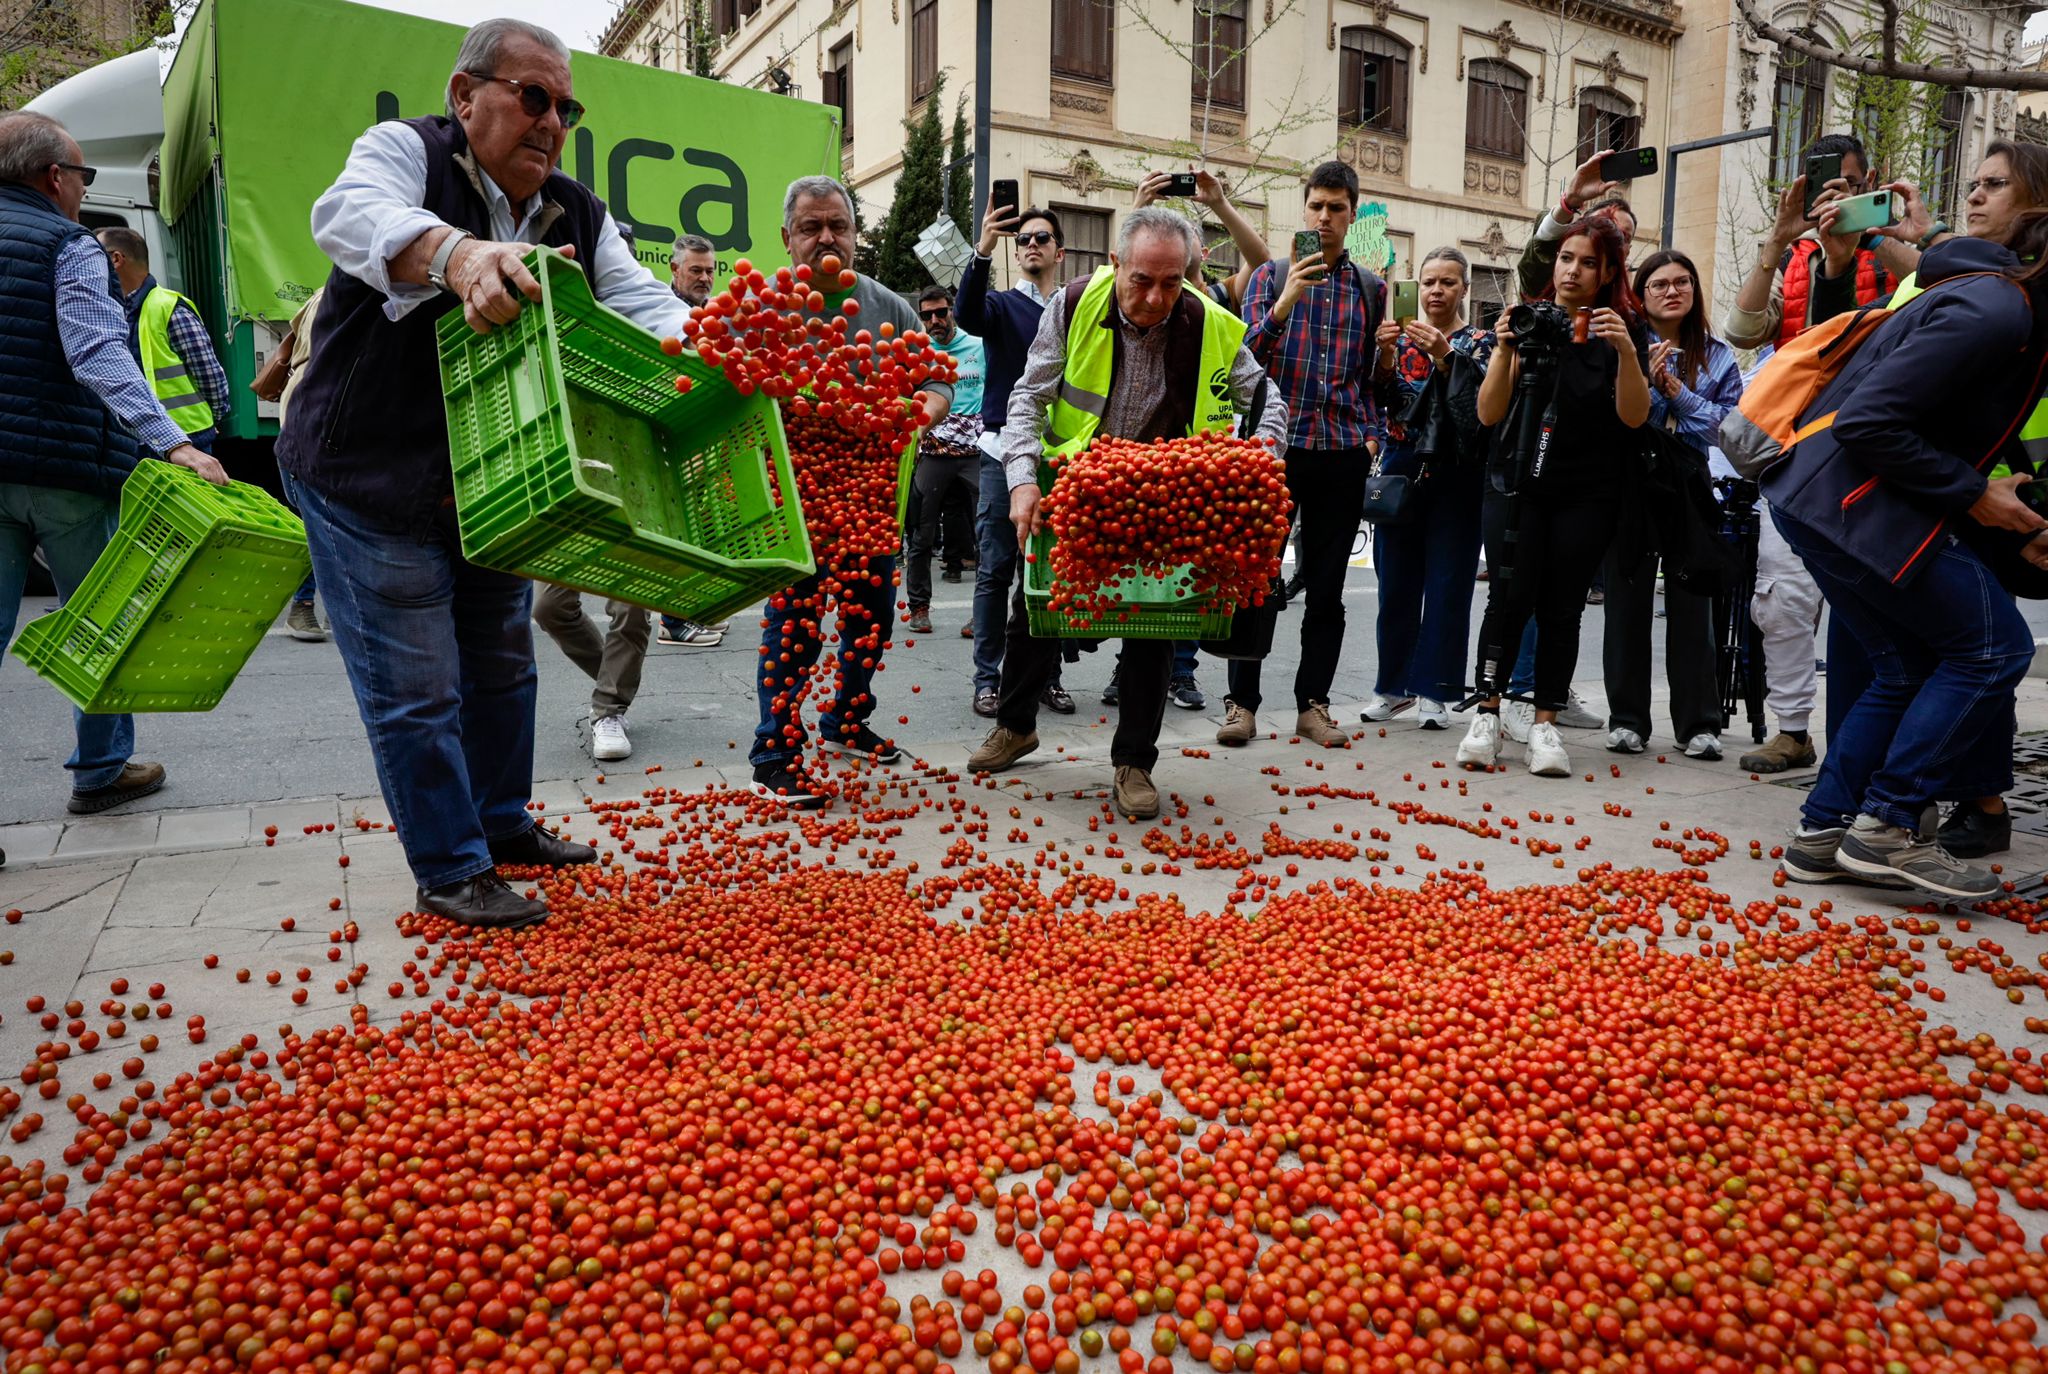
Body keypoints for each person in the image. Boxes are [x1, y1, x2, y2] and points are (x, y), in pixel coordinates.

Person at [276, 19, 695, 929]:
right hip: (365, 473)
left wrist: (729, 351)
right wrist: (460, 256)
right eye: (533, 97)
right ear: (466, 96)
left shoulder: (577, 210)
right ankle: (452, 867)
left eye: (566, 107)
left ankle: (501, 825)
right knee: (418, 687)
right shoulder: (406, 155)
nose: (552, 122)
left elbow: (646, 303)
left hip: (488, 481)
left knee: (504, 668)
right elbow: (350, 215)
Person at [968, 208, 1288, 817]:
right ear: (1116, 264)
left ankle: (1134, 762)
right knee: (1035, 611)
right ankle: (1016, 724)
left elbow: (1271, 404)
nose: (1156, 296)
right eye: (1142, 280)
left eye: (1171, 282)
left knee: (1153, 631)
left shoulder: (1210, 322)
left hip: (1166, 496)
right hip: (1079, 483)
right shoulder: (1071, 305)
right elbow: (1029, 397)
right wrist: (1020, 482)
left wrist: (1253, 465)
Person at [1765, 214, 2048, 901]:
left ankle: (1823, 832)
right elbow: (1870, 421)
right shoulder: (1997, 311)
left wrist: (2008, 504)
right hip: (1852, 500)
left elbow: (1958, 425)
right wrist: (1974, 493)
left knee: (1905, 667)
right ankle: (1889, 824)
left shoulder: (2006, 310)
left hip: (1819, 497)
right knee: (1993, 648)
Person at [0, 111, 228, 814]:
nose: (81, 190)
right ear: (54, 178)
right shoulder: (68, 245)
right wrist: (176, 441)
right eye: (82, 175)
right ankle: (99, 771)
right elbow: (96, 350)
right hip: (63, 472)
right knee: (98, 622)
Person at [747, 175, 951, 809]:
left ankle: (845, 720)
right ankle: (774, 753)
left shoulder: (889, 307)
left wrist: (920, 410)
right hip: (794, 504)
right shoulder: (762, 308)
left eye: (838, 225)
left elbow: (938, 380)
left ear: (857, 236)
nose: (826, 238)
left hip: (867, 502)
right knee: (794, 626)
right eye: (812, 227)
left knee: (872, 620)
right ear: (788, 238)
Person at [1457, 216, 1650, 778]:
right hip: (1514, 480)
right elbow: (1489, 413)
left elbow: (1633, 417)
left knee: (1562, 607)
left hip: (1587, 489)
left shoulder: (1622, 330)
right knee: (1507, 601)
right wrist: (1503, 348)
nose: (1573, 271)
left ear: (1609, 271)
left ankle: (1544, 723)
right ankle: (1487, 714)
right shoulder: (1531, 321)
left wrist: (1628, 354)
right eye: (1567, 258)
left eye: (1588, 262)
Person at [1221, 160, 1384, 749]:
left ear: (1352, 213)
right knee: (1256, 579)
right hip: (1275, 450)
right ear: (1305, 209)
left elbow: (1370, 378)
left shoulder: (1370, 287)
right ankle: (1242, 704)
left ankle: (1312, 705)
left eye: (1336, 208)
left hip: (1341, 454)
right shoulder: (1270, 276)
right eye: (1316, 206)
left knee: (1328, 587)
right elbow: (1243, 366)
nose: (1325, 217)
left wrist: (1372, 436)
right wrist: (1285, 301)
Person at [1600, 249, 1743, 759]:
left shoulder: (1719, 354)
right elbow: (1622, 419)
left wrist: (1676, 391)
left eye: (1682, 281)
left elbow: (1725, 428)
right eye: (1659, 284)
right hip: (1632, 481)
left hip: (1689, 481)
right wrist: (1647, 383)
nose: (1672, 291)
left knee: (1693, 600)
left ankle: (1698, 725)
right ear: (1640, 294)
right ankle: (1628, 720)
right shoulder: (1623, 344)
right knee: (1627, 602)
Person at [1360, 246, 1494, 732]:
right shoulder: (1401, 338)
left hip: (1458, 472)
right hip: (1401, 466)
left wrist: (1444, 355)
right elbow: (1383, 399)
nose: (1437, 291)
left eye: (1448, 282)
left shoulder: (1480, 341)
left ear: (1464, 288)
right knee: (1395, 583)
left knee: (1448, 585)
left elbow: (1477, 407)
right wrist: (1386, 355)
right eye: (1429, 282)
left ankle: (1435, 692)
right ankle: (1392, 689)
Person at [957, 199, 1073, 718]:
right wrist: (983, 246)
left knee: (1050, 573)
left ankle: (1045, 676)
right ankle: (988, 679)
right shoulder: (1001, 306)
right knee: (996, 569)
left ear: (1059, 252)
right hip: (1002, 454)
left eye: (1041, 238)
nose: (1030, 244)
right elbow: (965, 313)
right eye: (1022, 238)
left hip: (1061, 458)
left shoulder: (1075, 307)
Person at [657, 232, 729, 650]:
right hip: (670, 430)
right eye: (696, 270)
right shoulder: (660, 310)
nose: (704, 277)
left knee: (701, 527)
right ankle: (674, 621)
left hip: (705, 432)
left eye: (709, 270)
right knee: (678, 529)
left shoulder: (715, 315)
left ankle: (692, 611)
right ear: (675, 269)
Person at [902, 284, 985, 635]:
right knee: (920, 536)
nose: (934, 321)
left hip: (977, 453)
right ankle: (919, 608)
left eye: (941, 312)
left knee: (989, 536)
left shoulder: (980, 346)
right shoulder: (916, 352)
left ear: (952, 310)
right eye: (926, 315)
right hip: (933, 453)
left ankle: (982, 613)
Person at [270, 286, 330, 642]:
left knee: (328, 523)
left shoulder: (326, 292)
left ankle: (342, 609)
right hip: (311, 421)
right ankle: (303, 606)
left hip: (303, 419)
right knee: (321, 524)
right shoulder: (345, 293)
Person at [1133, 165, 1271, 310]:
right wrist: (1140, 206)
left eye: (1186, 231)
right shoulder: (1146, 297)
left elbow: (1260, 263)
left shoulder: (1223, 296)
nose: (1180, 238)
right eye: (1171, 233)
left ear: (1204, 253)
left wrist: (1219, 202)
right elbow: (1121, 267)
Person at [1515, 150, 1638, 299]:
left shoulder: (1633, 314)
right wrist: (1570, 202)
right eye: (1601, 225)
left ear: (1627, 252)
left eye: (1623, 236)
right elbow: (1536, 267)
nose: (1573, 271)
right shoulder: (1546, 299)